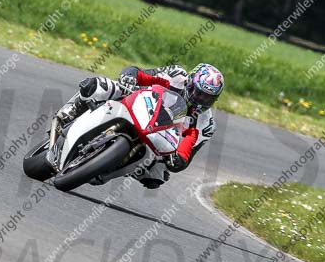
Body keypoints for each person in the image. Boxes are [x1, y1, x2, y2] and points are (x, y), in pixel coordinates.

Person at [55, 63, 224, 188]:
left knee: (157, 175)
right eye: (197, 92)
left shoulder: (205, 123)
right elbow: (140, 73)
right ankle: (72, 110)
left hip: (157, 138)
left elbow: (186, 154)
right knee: (99, 86)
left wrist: (177, 159)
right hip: (137, 104)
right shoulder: (176, 76)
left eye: (206, 98)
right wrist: (130, 77)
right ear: (189, 83)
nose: (199, 99)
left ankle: (109, 168)